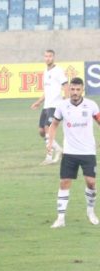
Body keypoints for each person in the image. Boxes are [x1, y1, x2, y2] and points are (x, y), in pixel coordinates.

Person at [46, 77, 100, 228]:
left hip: (88, 151)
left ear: (82, 90)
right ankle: (61, 218)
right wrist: (50, 142)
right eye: (72, 89)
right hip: (70, 152)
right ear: (69, 90)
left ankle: (91, 211)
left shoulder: (91, 105)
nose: (75, 92)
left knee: (91, 182)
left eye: (78, 89)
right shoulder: (62, 106)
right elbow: (54, 125)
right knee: (64, 183)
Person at [31, 49, 67, 165]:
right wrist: (38, 102)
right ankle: (58, 149)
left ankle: (49, 157)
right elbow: (47, 91)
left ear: (54, 57)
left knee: (48, 128)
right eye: (46, 56)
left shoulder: (58, 71)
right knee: (41, 131)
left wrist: (66, 101)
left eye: (50, 56)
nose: (48, 58)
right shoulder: (45, 72)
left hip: (56, 105)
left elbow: (66, 86)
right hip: (47, 106)